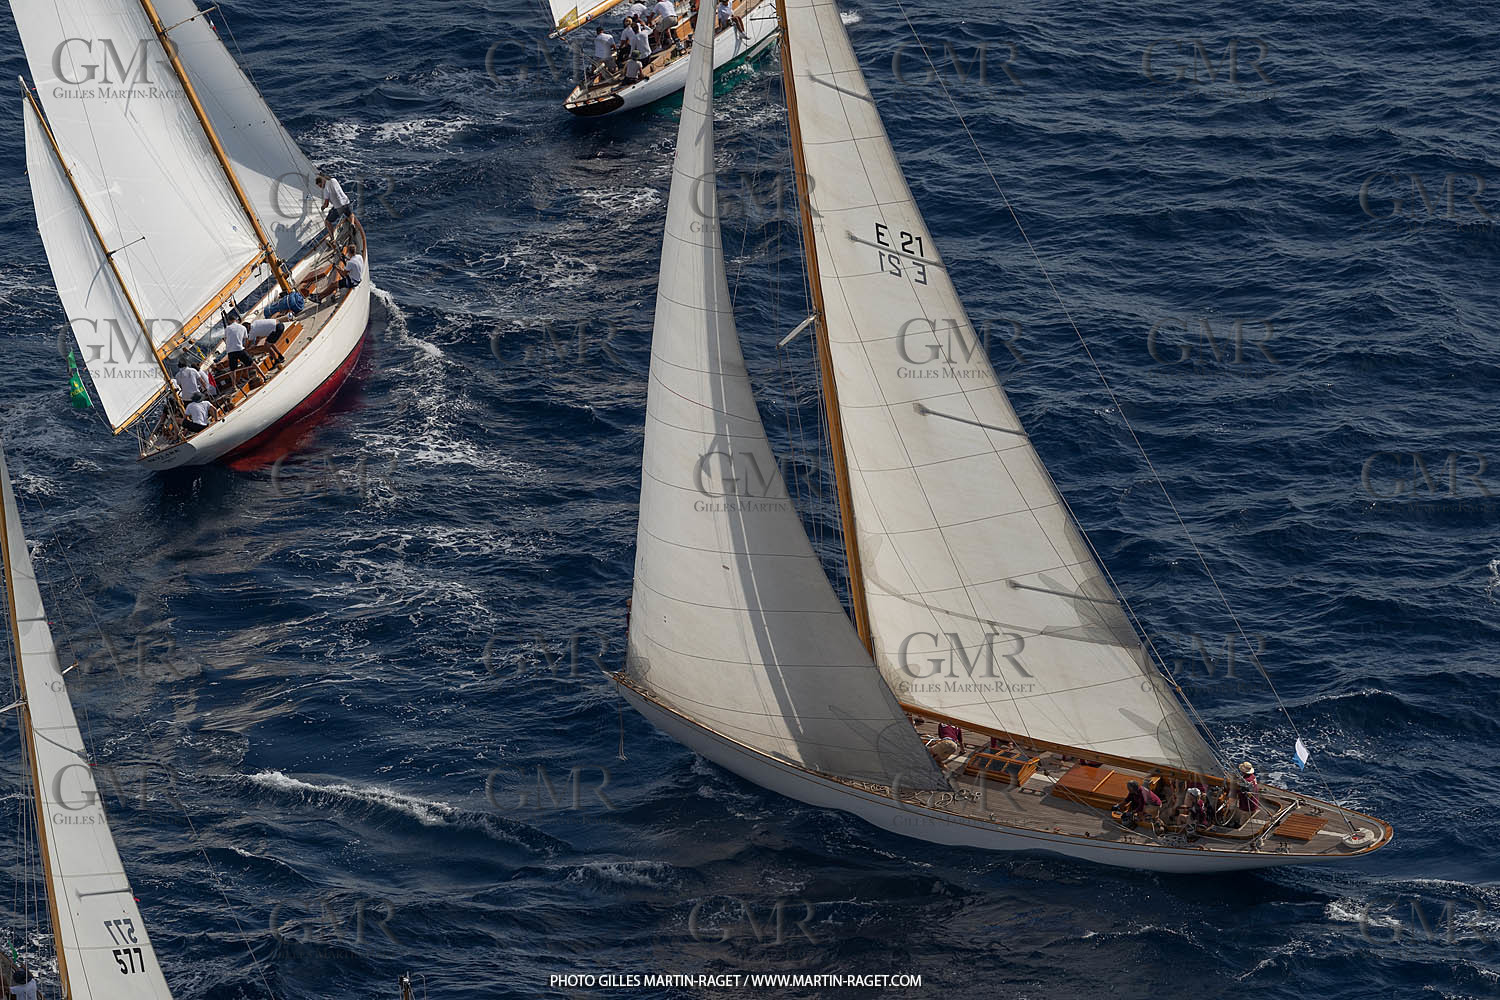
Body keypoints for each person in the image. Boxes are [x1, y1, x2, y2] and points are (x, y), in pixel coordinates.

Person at [222, 312, 265, 389]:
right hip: (240, 349)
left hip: (231, 352)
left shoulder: (227, 329)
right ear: (236, 320)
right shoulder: (243, 328)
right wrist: (245, 347)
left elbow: (226, 339)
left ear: (229, 321)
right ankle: (264, 376)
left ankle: (234, 386)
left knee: (233, 370)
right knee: (253, 363)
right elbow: (246, 339)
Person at [316, 172, 352, 241]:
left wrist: (323, 207)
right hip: (346, 202)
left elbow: (326, 204)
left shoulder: (326, 190)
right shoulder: (333, 180)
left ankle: (332, 239)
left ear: (323, 181)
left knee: (327, 222)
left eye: (320, 186)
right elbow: (327, 177)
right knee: (350, 214)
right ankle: (353, 223)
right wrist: (321, 175)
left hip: (339, 207)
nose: (321, 188)